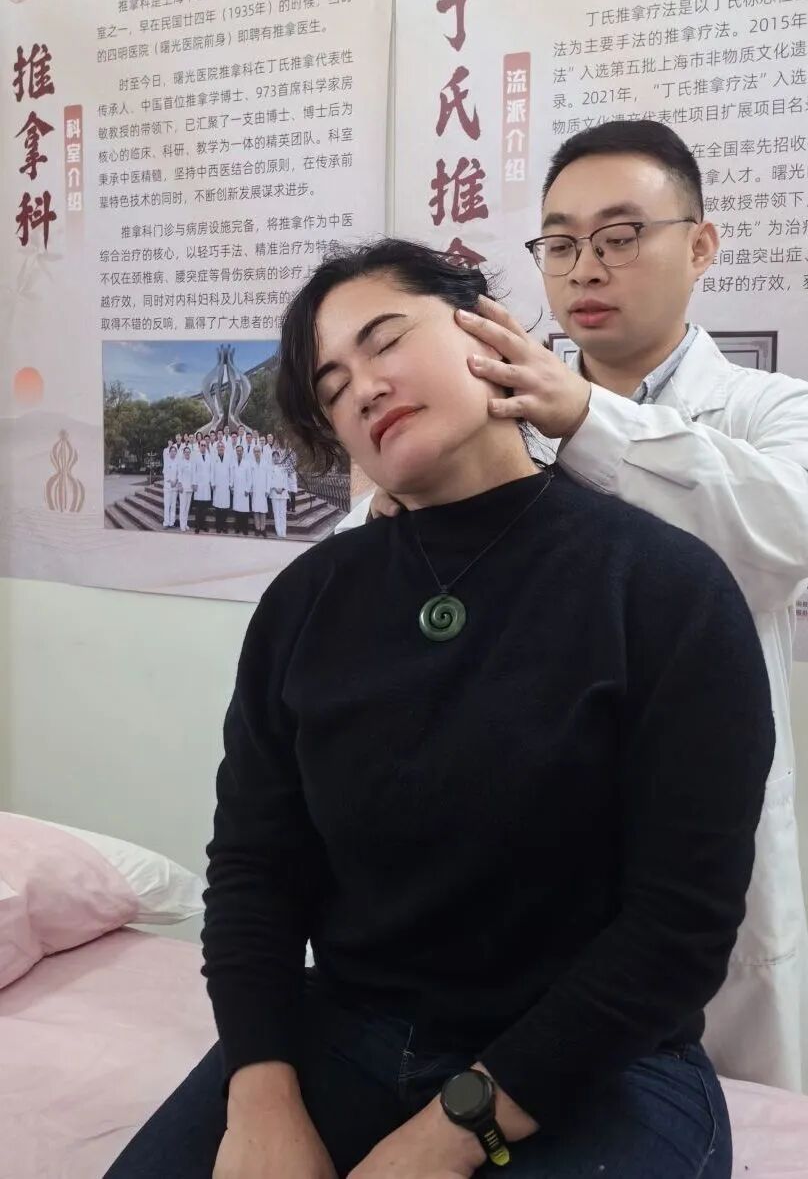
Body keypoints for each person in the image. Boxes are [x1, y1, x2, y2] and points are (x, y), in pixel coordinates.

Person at [106, 238, 773, 1179]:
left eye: (385, 341)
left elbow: (680, 927)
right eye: (333, 387)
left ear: (485, 330)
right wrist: (261, 1099)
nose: (365, 389)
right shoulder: (308, 601)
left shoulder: (663, 589)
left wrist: (451, 1135)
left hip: (597, 1062)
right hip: (346, 1027)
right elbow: (256, 869)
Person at [343, 121, 808, 1094]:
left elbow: (780, 538)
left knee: (709, 1106)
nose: (585, 267)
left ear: (700, 245)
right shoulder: (487, 409)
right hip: (516, 842)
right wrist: (390, 512)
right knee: (520, 1091)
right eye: (559, 242)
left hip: (685, 838)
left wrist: (587, 419)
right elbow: (361, 596)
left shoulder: (772, 408)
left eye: (620, 235)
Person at [211, 441, 234, 535]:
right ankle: (218, 526)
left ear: (224, 448)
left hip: (225, 485)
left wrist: (231, 483)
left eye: (222, 446)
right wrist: (212, 483)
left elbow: (231, 471)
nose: (220, 448)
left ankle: (224, 526)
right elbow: (212, 471)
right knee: (217, 507)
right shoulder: (214, 458)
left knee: (224, 507)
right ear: (217, 448)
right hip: (217, 485)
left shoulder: (228, 458)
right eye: (219, 447)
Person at [192, 440, 214, 535]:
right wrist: (194, 483)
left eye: (205, 445)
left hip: (206, 485)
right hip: (198, 485)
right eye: (202, 445)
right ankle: (197, 526)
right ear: (199, 446)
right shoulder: (196, 457)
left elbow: (211, 471)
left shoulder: (209, 457)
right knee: (198, 508)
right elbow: (194, 471)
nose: (203, 446)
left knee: (205, 508)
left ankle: (203, 525)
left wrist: (211, 482)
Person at [231, 444, 253, 537]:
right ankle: (237, 528)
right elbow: (232, 476)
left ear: (243, 452)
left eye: (240, 451)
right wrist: (231, 486)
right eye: (237, 451)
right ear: (236, 452)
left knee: (244, 511)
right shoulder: (233, 463)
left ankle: (245, 529)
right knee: (237, 510)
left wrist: (248, 489)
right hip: (236, 489)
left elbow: (250, 478)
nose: (239, 452)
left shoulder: (247, 463)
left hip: (244, 490)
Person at [269, 446, 289, 538]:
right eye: (274, 457)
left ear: (279, 457)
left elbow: (286, 480)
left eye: (277, 456)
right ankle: (278, 531)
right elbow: (270, 480)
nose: (276, 458)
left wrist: (282, 488)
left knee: (282, 514)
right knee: (276, 513)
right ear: (272, 458)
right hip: (274, 493)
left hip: (283, 493)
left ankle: (283, 532)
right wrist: (275, 488)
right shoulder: (270, 468)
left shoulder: (284, 468)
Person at [250, 444, 270, 537]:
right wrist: (250, 489)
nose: (257, 453)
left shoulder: (265, 463)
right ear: (253, 453)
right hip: (254, 490)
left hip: (263, 490)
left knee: (263, 510)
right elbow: (250, 478)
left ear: (261, 452)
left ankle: (263, 529)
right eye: (255, 452)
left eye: (258, 451)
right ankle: (257, 529)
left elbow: (268, 477)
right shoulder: (251, 463)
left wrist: (267, 490)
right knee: (256, 510)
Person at [177, 445, 195, 533]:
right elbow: (179, 475)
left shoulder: (191, 463)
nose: (187, 453)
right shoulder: (181, 462)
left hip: (190, 488)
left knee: (187, 507)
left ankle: (185, 523)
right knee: (183, 507)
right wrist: (180, 485)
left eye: (188, 452)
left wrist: (193, 484)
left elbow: (193, 475)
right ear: (183, 453)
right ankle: (182, 525)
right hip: (183, 488)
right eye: (186, 452)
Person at [161, 444, 179, 529]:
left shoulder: (177, 462)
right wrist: (170, 481)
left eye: (174, 451)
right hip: (168, 486)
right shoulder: (166, 461)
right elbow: (165, 473)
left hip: (175, 486)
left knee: (173, 505)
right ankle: (166, 523)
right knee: (167, 505)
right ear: (169, 452)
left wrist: (175, 481)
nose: (173, 452)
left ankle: (172, 523)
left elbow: (179, 473)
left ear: (176, 453)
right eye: (172, 451)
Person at [284, 443, 299, 513]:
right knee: (286, 491)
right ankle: (288, 506)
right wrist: (286, 472)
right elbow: (283, 463)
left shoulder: (293, 453)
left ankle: (293, 507)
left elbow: (295, 464)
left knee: (293, 491)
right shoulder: (283, 453)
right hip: (285, 474)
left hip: (292, 474)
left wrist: (290, 472)